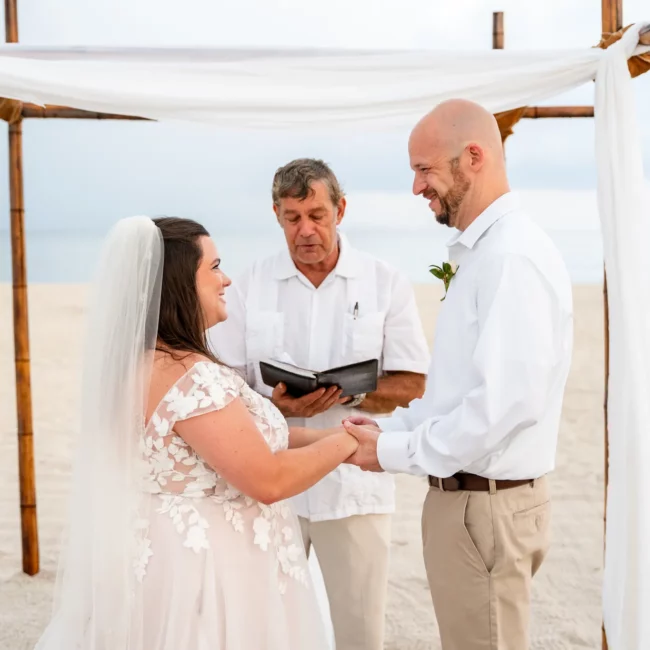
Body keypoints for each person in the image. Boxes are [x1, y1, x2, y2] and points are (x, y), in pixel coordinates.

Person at [34, 215, 360, 650]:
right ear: (180, 284)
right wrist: (351, 443)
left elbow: (239, 442)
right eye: (215, 267)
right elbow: (268, 479)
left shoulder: (139, 366)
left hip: (162, 555)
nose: (226, 280)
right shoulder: (191, 377)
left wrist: (336, 432)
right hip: (211, 571)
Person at [343, 99, 574, 650]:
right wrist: (389, 432)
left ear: (473, 157)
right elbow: (454, 393)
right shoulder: (485, 254)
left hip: (485, 509)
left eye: (425, 169)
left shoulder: (509, 258)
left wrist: (391, 454)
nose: (417, 187)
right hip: (470, 504)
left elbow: (503, 408)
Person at [211, 158, 429, 650]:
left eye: (316, 215)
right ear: (276, 215)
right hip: (270, 484)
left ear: (341, 210)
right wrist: (279, 405)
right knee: (265, 629)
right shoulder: (250, 283)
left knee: (359, 630)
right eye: (292, 218)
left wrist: (352, 394)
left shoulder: (384, 280)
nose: (305, 230)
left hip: (355, 484)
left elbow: (414, 383)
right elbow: (225, 382)